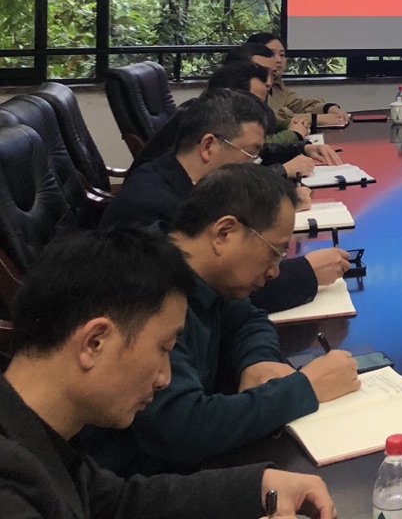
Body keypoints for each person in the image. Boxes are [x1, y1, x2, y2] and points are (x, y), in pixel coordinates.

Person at [0, 225, 335, 519]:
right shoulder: (10, 486)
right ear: (94, 343)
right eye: (163, 349)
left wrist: (257, 487)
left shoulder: (43, 437)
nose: (164, 378)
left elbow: (118, 503)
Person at [83, 165, 360, 476]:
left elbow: (249, 319)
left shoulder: (196, 266)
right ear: (224, 233)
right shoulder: (147, 290)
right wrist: (304, 389)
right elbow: (182, 429)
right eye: (274, 252)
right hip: (134, 482)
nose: (275, 271)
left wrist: (258, 360)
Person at [100, 90, 349, 314]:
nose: (254, 165)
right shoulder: (155, 207)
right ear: (208, 146)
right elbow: (207, 301)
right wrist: (306, 273)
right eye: (251, 154)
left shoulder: (187, 181)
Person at [131, 62, 341, 175]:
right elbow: (223, 187)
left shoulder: (210, 112)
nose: (259, 107)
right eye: (254, 99)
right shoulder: (204, 124)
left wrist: (302, 148)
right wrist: (283, 171)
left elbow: (253, 153)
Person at [246, 33, 349, 130]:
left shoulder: (277, 83)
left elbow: (298, 105)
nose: (278, 60)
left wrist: (328, 108)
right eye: (271, 54)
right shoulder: (246, 83)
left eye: (282, 55)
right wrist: (316, 119)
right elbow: (268, 117)